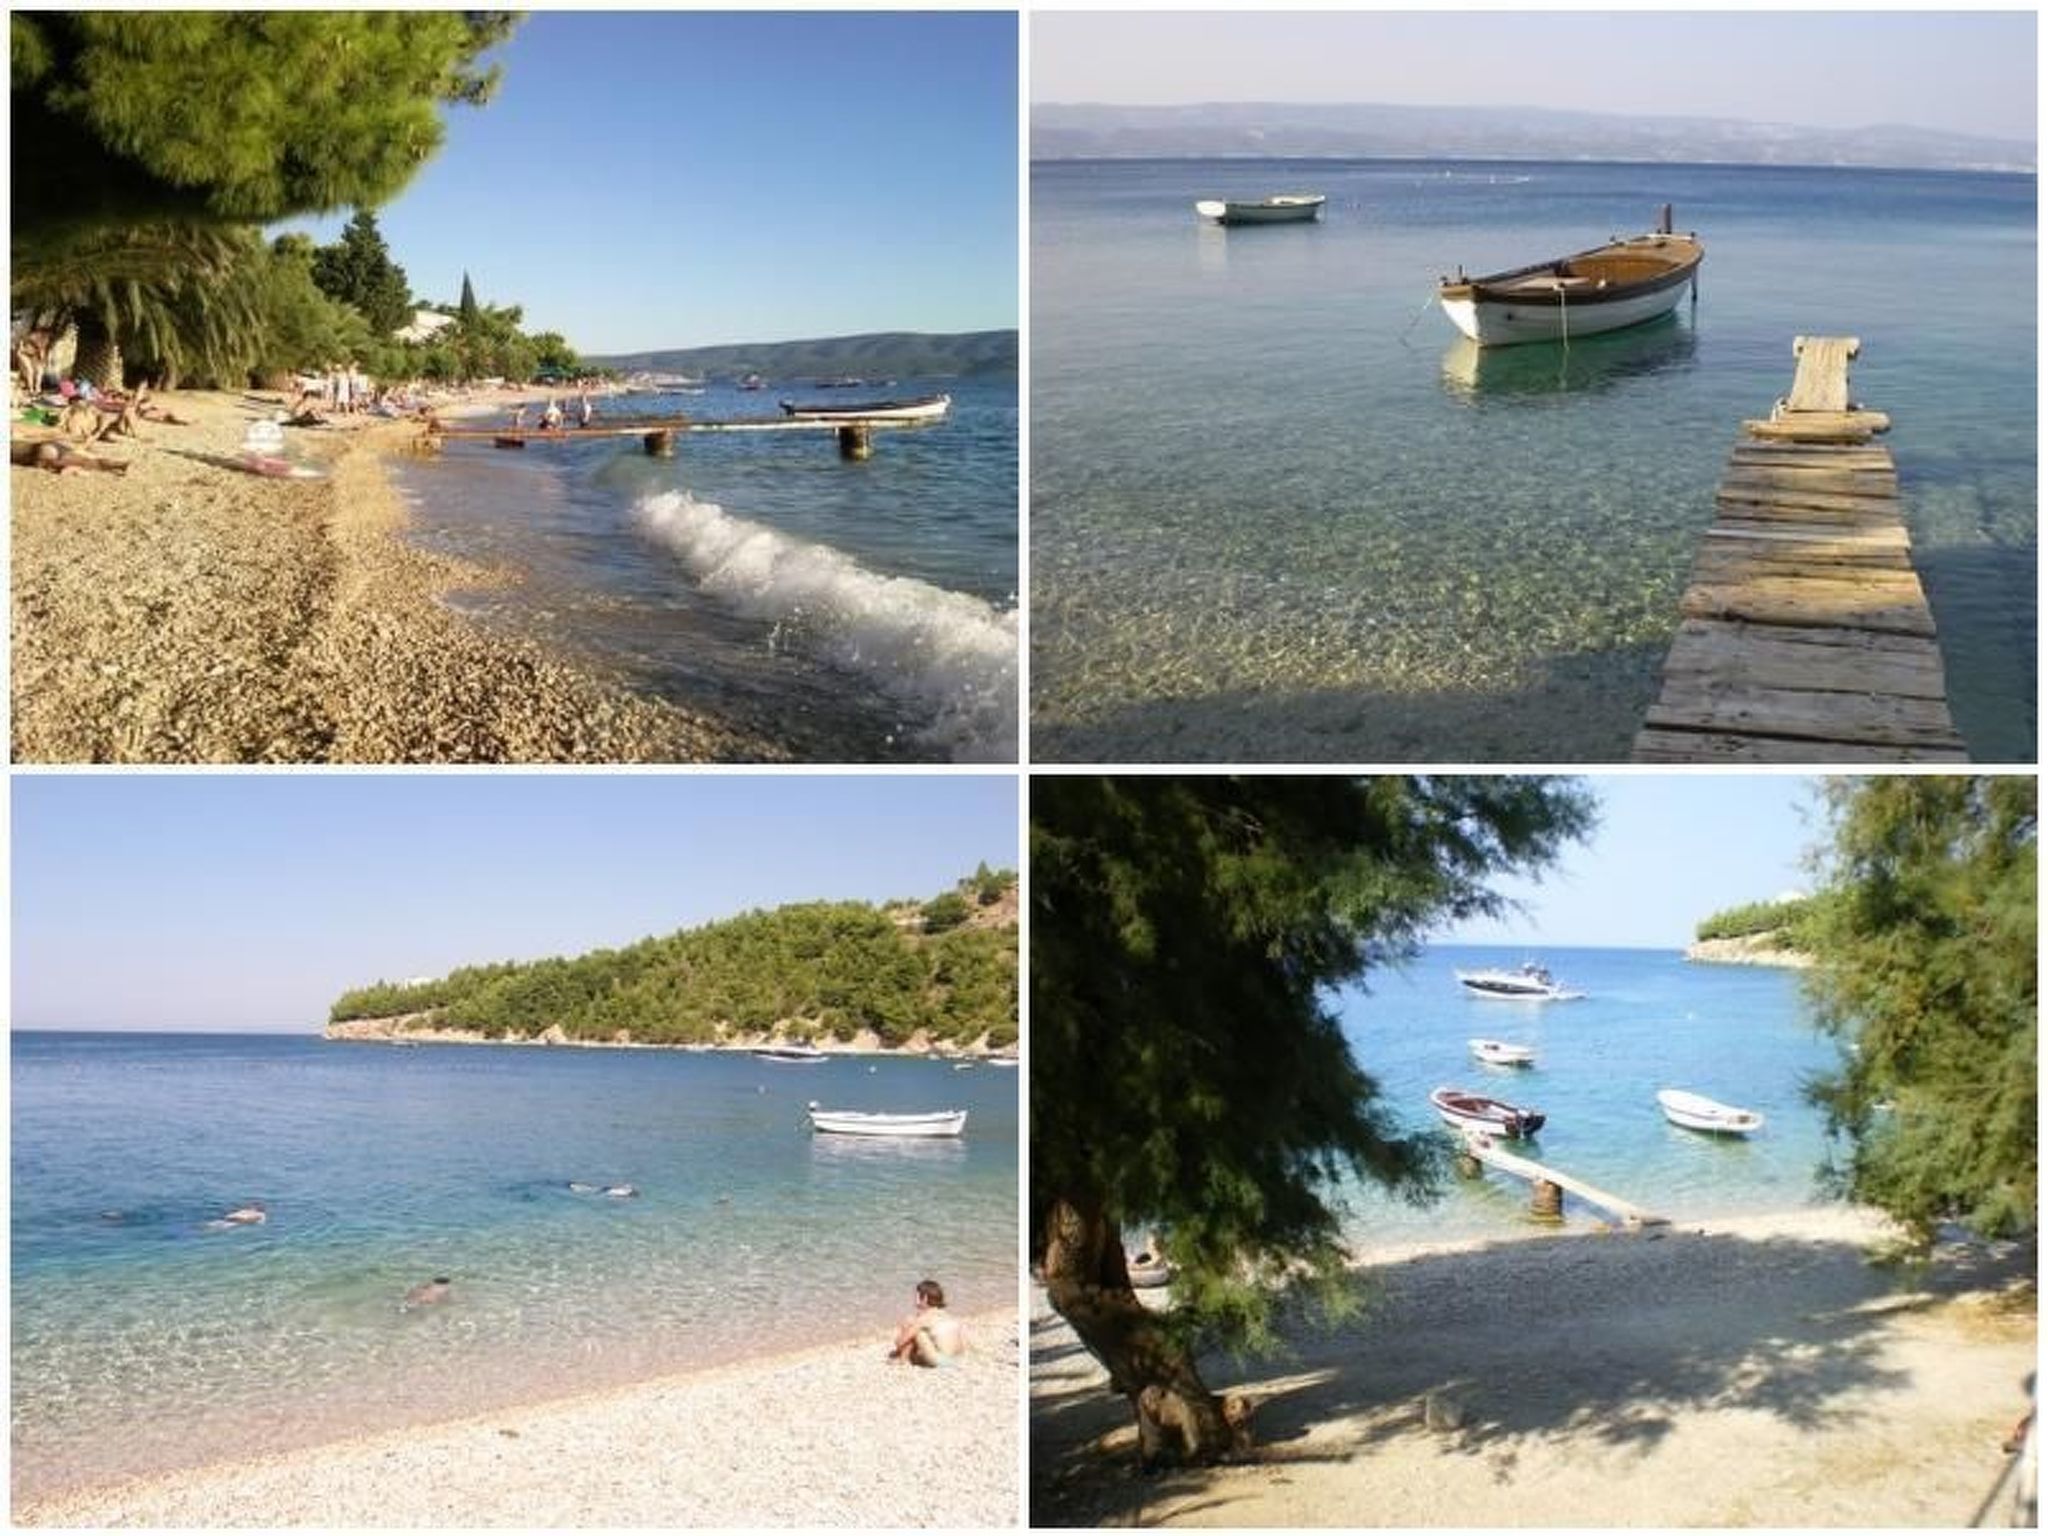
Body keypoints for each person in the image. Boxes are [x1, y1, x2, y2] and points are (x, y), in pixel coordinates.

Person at [887, 1279, 967, 1367]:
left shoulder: (924, 1318)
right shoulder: (947, 1315)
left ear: (924, 1298)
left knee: (910, 1323)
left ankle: (903, 1360)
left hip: (943, 1361)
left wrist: (900, 1341)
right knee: (919, 1328)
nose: (914, 1298)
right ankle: (907, 1357)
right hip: (959, 1358)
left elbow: (899, 1342)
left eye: (916, 1295)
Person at [11, 438, 128, 475]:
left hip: (41, 452)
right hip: (49, 445)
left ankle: (116, 466)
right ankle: (117, 465)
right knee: (86, 461)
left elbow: (36, 464)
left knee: (84, 463)